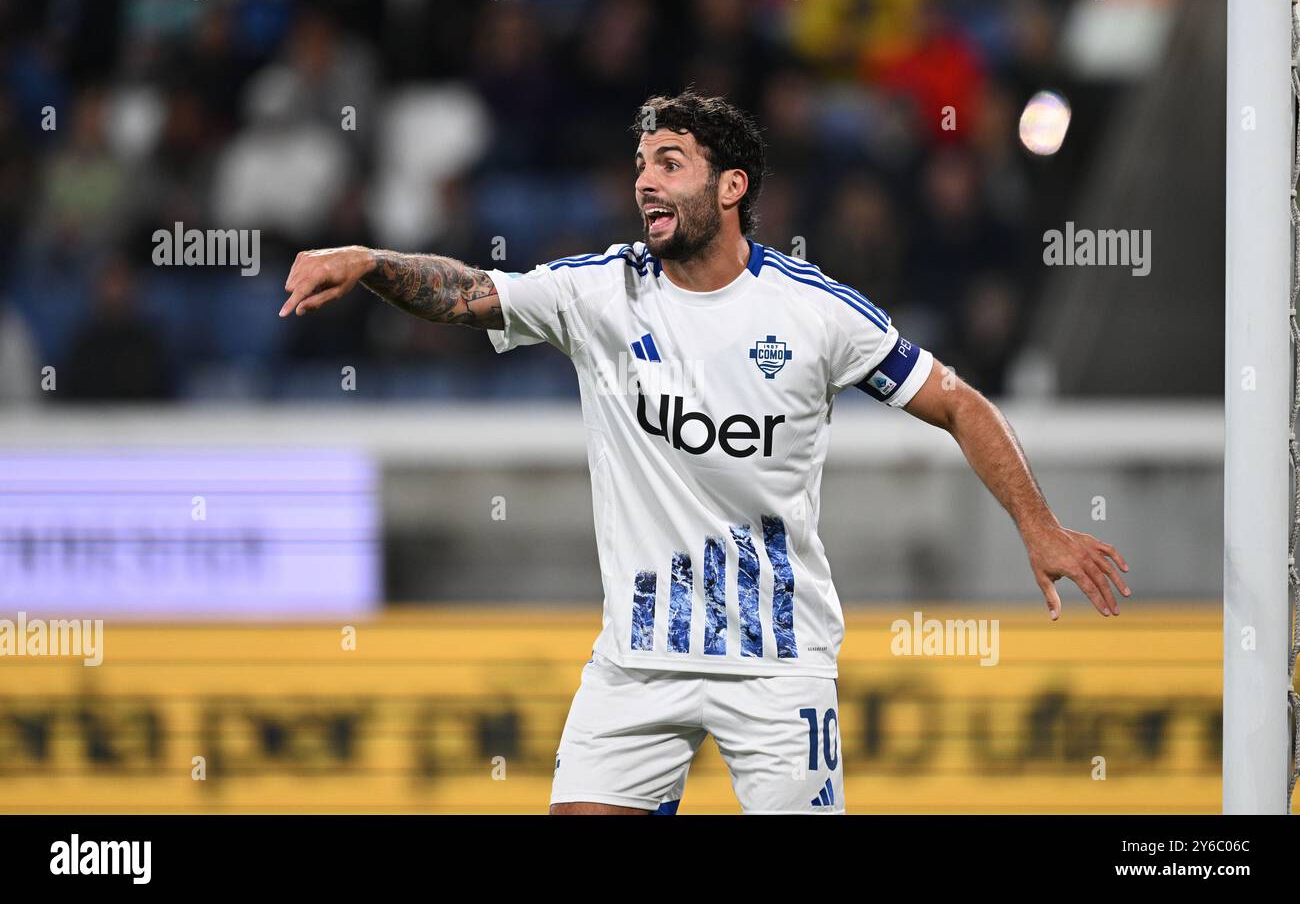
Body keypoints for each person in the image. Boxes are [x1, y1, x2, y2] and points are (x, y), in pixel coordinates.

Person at [279, 90, 1130, 815]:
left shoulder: (815, 314)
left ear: (731, 186)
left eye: (671, 161)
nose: (645, 178)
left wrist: (1040, 524)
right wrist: (369, 258)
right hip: (636, 662)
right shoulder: (598, 292)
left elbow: (958, 403)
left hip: (776, 665)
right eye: (642, 161)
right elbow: (467, 293)